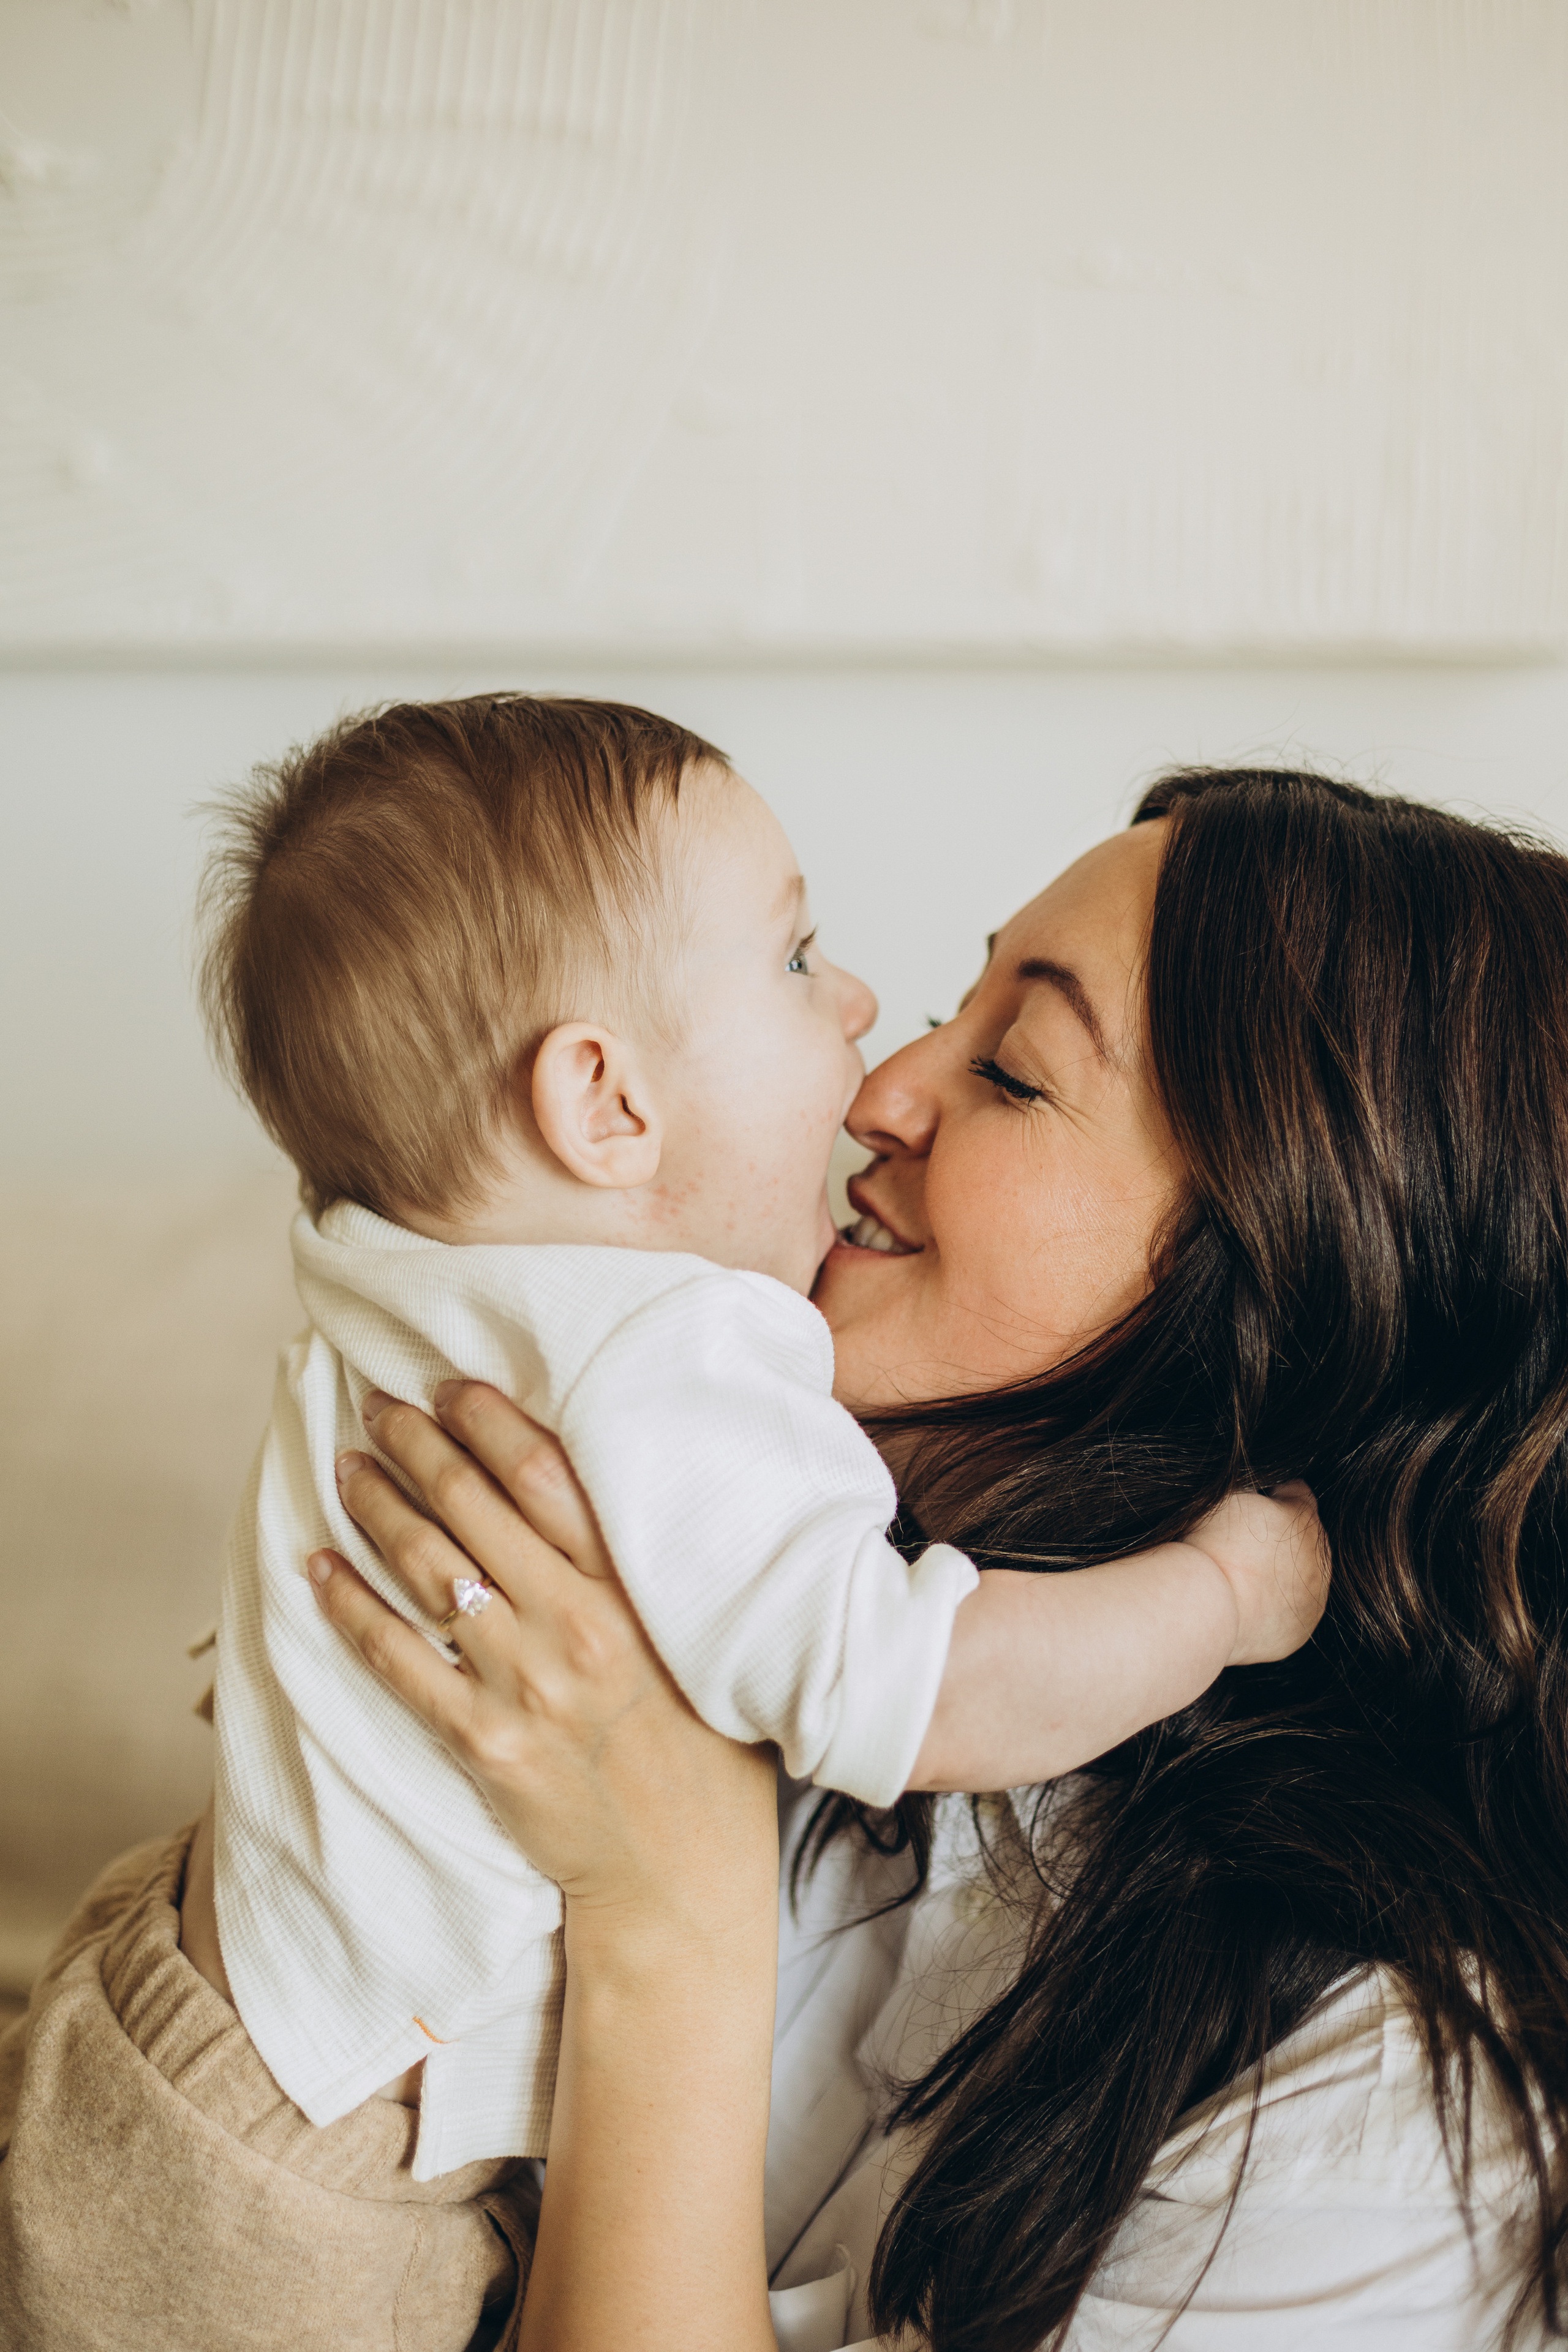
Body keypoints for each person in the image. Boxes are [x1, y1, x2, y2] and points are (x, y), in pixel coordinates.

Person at [0, 712, 1319, 2352]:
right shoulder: (679, 1352)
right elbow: (917, 1684)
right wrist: (1219, 1592)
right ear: (605, 1101)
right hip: (321, 2152)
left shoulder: (403, 1264)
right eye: (800, 958)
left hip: (188, 2009)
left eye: (1005, 1062)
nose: (871, 1041)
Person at [306, 768, 1568, 2350]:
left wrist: (667, 1901)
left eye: (1017, 1074)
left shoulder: (1393, 2122)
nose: (877, 1091)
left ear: (1309, 1276)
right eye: (953, 1014)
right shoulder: (724, 1577)